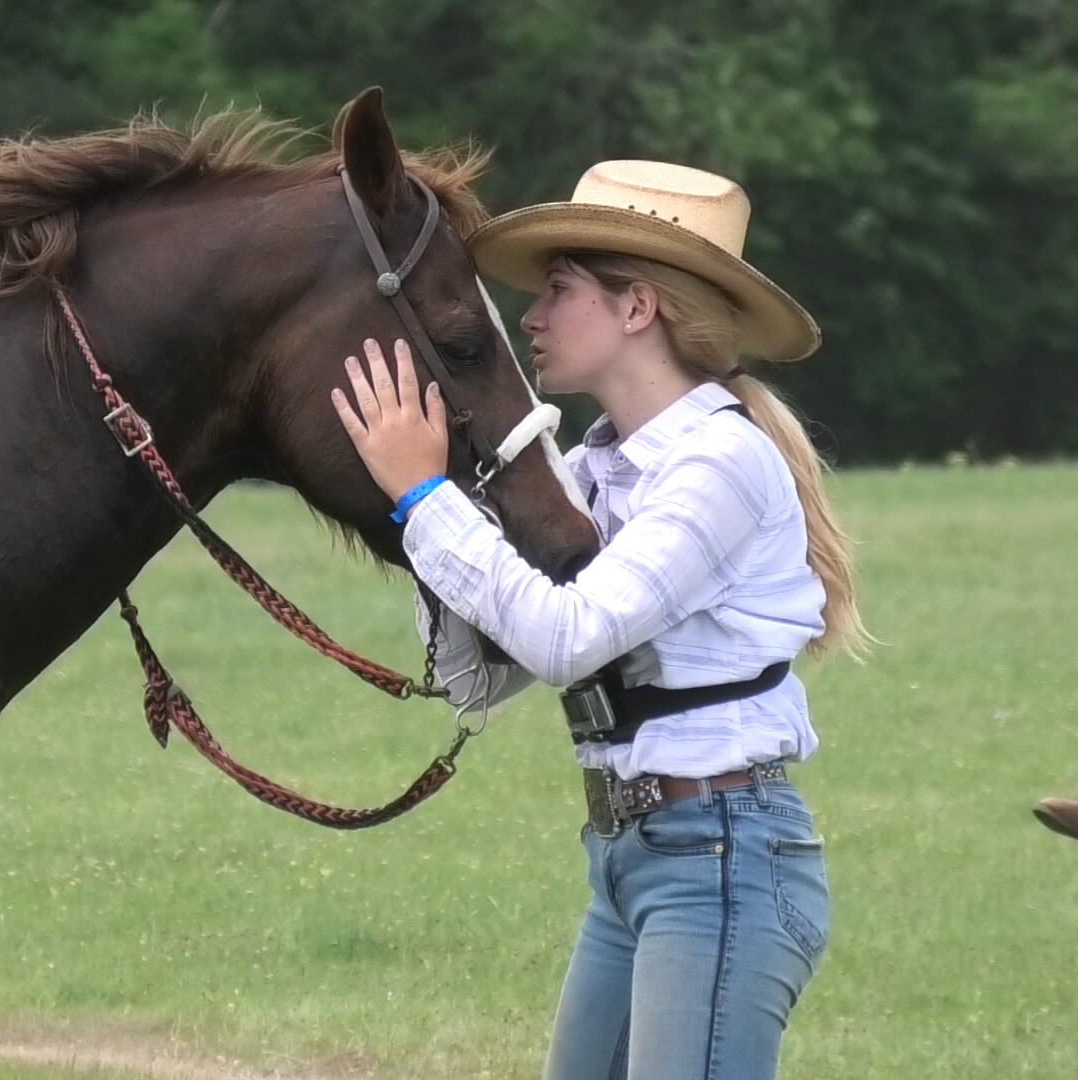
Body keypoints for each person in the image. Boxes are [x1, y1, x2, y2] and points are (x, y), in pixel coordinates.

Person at [330, 160, 867, 1080]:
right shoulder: (595, 467)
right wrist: (440, 496)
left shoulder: (717, 464)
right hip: (634, 859)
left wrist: (425, 497)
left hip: (721, 860)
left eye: (560, 289)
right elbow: (484, 676)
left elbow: (566, 635)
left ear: (637, 309)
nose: (531, 318)